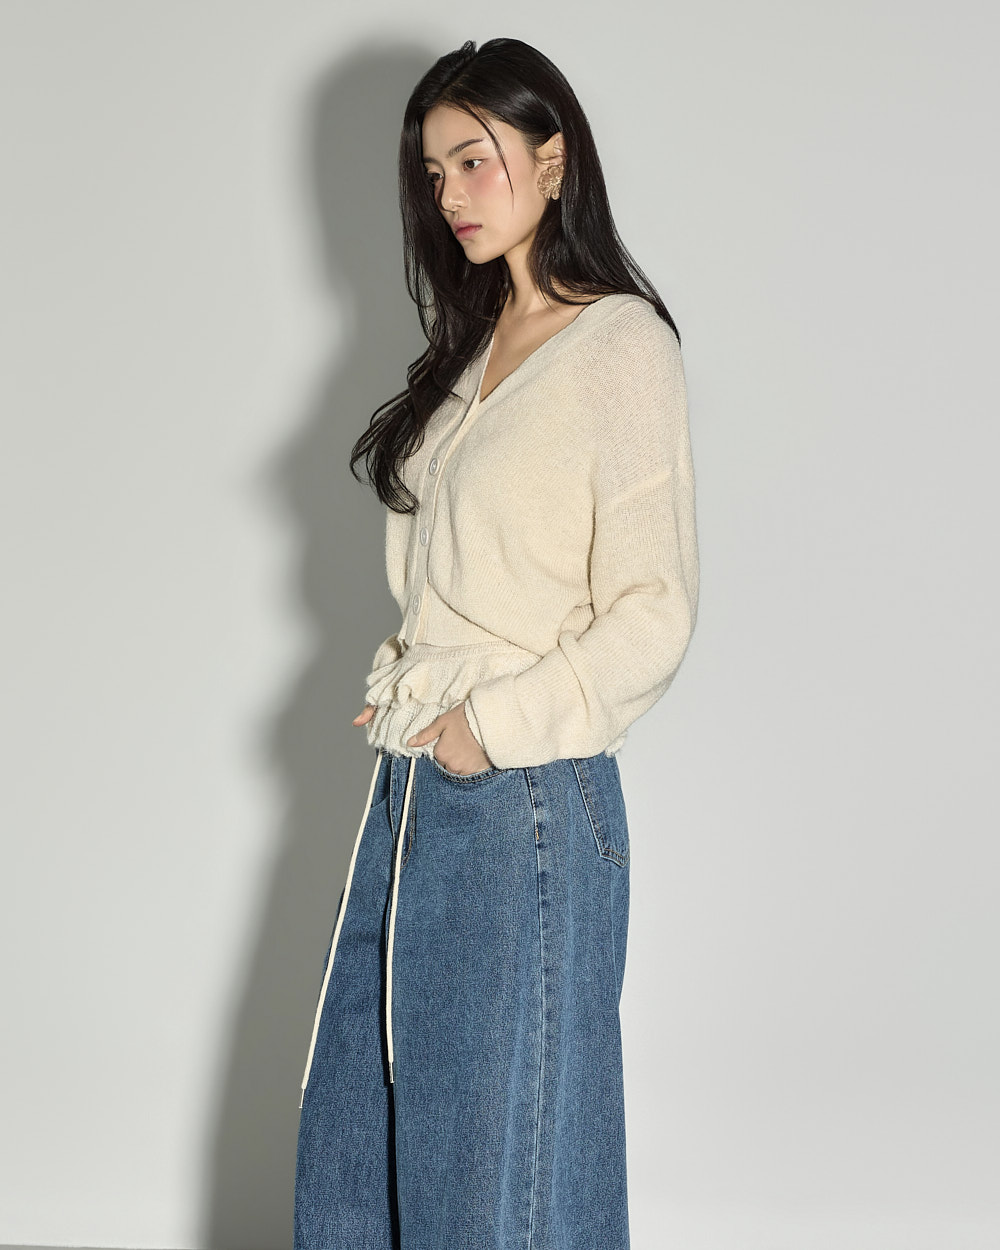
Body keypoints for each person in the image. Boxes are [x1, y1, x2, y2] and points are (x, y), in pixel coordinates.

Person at [293, 36, 699, 1250]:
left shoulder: (618, 344)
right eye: (434, 173)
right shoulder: (469, 352)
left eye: (474, 160)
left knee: (493, 1178)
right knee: (359, 1148)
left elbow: (654, 609)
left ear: (552, 158)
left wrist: (486, 723)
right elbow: (459, 574)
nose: (451, 195)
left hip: (519, 792)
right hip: (416, 786)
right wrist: (410, 687)